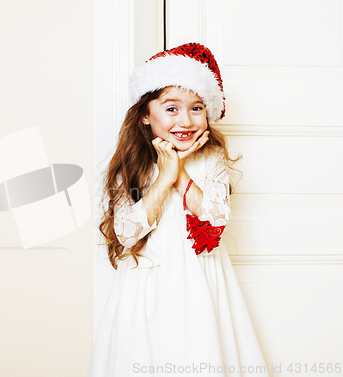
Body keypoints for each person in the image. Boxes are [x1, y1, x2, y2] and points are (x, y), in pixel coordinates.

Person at [87, 43, 270, 377]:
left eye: (196, 108)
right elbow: (126, 235)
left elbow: (215, 217)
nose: (186, 120)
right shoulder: (131, 166)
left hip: (203, 281)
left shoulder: (210, 158)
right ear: (145, 113)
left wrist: (180, 174)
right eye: (171, 109)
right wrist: (163, 177)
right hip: (148, 285)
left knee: (202, 350)